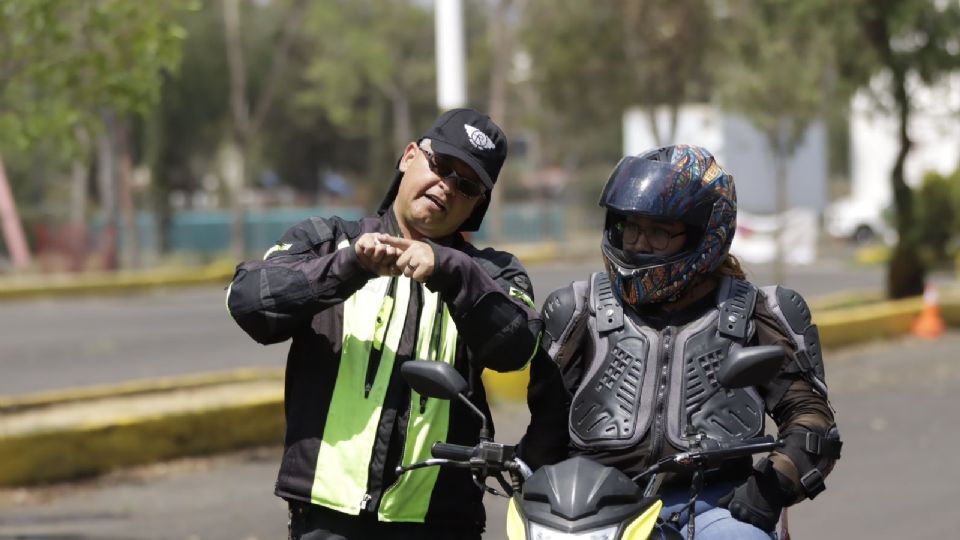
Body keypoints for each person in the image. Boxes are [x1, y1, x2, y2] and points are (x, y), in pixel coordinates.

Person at [226, 108, 543, 540]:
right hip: (325, 519)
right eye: (441, 166)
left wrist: (452, 271)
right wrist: (348, 265)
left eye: (465, 184)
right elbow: (247, 301)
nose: (446, 186)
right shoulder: (326, 239)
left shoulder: (492, 272)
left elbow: (518, 346)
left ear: (477, 205)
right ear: (409, 155)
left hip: (440, 523)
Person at [521, 144, 841, 539]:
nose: (638, 242)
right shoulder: (576, 309)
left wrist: (767, 491)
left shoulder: (756, 312)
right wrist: (518, 470)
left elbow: (812, 422)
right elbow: (547, 426)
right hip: (593, 504)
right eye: (630, 226)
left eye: (658, 231)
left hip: (709, 503)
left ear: (705, 235)